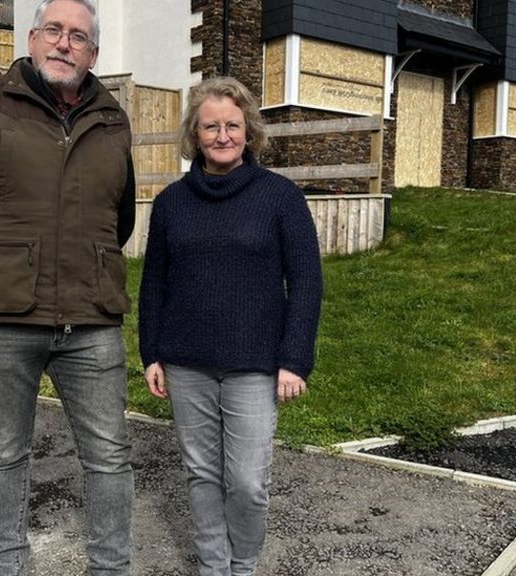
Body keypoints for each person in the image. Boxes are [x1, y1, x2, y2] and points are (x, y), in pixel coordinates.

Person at [0, 1, 135, 574]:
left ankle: (110, 568)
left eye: (78, 37)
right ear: (31, 40)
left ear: (94, 54)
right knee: (6, 454)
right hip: (2, 320)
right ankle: (8, 566)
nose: (65, 44)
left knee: (109, 457)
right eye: (54, 31)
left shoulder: (113, 121)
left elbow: (120, 217)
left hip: (91, 321)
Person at [138, 77, 323, 576]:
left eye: (233, 125)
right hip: (185, 362)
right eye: (211, 126)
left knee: (246, 481)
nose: (222, 135)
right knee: (201, 474)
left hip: (255, 366)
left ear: (250, 132)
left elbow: (306, 282)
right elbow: (154, 282)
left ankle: (242, 566)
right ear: (194, 135)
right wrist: (150, 352)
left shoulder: (280, 197)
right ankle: (212, 567)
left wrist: (294, 359)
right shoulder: (172, 203)